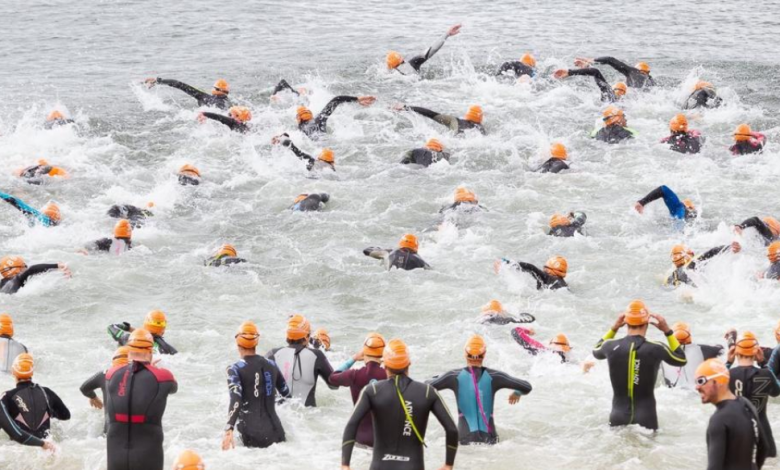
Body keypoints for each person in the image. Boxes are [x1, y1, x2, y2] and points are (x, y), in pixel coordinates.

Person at [341, 338, 458, 470]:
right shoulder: (427, 392)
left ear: (385, 365)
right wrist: (448, 465)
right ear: (409, 363)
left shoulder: (371, 391)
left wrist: (345, 465)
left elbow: (352, 424)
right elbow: (452, 429)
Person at [592, 300, 686, 430]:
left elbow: (596, 350)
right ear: (647, 322)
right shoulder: (656, 348)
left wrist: (614, 328)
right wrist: (668, 332)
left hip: (618, 415)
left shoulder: (609, 346)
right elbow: (681, 359)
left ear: (626, 322)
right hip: (646, 416)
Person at [428, 335, 532, 445]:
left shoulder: (453, 376)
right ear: (484, 354)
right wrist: (517, 392)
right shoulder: (495, 376)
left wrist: (437, 378)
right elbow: (526, 386)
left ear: (465, 354)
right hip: (490, 439)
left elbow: (425, 387)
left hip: (464, 439)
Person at [105, 328, 177, 470]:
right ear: (150, 350)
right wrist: (153, 369)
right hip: (148, 455)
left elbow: (128, 378)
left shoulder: (110, 374)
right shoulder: (163, 377)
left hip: (115, 455)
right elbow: (173, 388)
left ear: (128, 349)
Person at [223, 321, 291, 450]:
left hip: (251, 435)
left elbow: (236, 399)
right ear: (257, 342)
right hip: (277, 432)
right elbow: (286, 394)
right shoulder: (272, 364)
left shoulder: (234, 369)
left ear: (238, 343)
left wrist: (229, 427)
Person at [696, 359, 768, 470]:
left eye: (701, 381)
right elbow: (763, 448)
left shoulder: (718, 419)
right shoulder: (746, 404)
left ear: (718, 381)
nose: (697, 387)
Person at [328, 332, 387, 448]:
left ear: (364, 352)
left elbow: (332, 377)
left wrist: (353, 358)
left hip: (359, 438)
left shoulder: (354, 375)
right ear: (383, 354)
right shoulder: (389, 376)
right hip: (383, 439)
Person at [726, 331, 780, 457]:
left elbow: (714, 386)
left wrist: (728, 362)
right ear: (757, 352)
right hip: (763, 431)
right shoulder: (766, 374)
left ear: (736, 353)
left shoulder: (728, 375)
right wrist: (763, 364)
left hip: (737, 431)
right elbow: (777, 391)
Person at [266, 314, 335, 407]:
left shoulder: (272, 355)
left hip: (283, 414)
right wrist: (352, 360)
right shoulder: (317, 355)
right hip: (310, 416)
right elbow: (334, 384)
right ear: (306, 337)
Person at [1, 353, 70, 439]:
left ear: (13, 372)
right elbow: (65, 415)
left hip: (18, 448)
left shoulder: (7, 396)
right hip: (45, 445)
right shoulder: (46, 392)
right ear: (32, 372)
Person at [80, 347, 130, 434]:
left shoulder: (104, 374)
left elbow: (84, 388)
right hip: (134, 428)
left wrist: (93, 397)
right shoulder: (140, 375)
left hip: (110, 428)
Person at [661, 323, 723, 389]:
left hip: (671, 392)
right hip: (696, 390)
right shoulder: (701, 349)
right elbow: (721, 350)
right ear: (689, 337)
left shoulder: (662, 354)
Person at [387, 24, 462, 75]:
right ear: (401, 59)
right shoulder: (413, 63)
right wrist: (447, 34)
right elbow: (433, 49)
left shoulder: (392, 74)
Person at [664, 242, 741, 287]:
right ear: (690, 255)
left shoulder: (673, 275)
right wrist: (729, 247)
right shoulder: (692, 263)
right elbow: (711, 252)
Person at [296, 96, 376, 139]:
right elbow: (337, 99)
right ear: (311, 115)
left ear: (299, 119)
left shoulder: (300, 129)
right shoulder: (319, 119)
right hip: (326, 141)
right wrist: (357, 99)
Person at [107, 310, 178, 355]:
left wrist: (127, 328)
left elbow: (110, 328)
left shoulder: (129, 338)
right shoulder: (167, 348)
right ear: (163, 330)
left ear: (145, 324)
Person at [394, 103, 486, 135]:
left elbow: (430, 114)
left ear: (467, 115)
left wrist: (406, 107)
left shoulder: (454, 121)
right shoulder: (481, 129)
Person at [144, 77, 231, 110]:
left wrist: (159, 81)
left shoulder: (205, 97)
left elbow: (179, 84)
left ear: (215, 89)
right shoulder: (229, 103)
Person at [0, 256, 70, 295]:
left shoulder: (2, 284)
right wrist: (57, 266)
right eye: (24, 266)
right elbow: (32, 269)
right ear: (17, 269)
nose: (25, 268)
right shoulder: (17, 279)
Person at [574, 57, 656, 88]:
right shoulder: (651, 82)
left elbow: (610, 59)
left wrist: (591, 60)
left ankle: (588, 67)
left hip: (626, 97)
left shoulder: (633, 71)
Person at [553, 68, 626, 102]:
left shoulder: (609, 94)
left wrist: (569, 72)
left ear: (613, 89)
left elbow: (595, 72)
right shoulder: (623, 103)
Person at [495, 255, 568, 290]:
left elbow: (531, 267)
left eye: (545, 268)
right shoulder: (562, 283)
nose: (543, 270)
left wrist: (507, 263)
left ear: (549, 269)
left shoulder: (548, 277)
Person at [363, 233, 431, 271]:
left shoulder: (388, 252)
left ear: (400, 244)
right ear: (416, 247)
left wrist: (380, 249)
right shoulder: (420, 261)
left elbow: (367, 250)